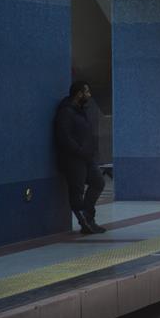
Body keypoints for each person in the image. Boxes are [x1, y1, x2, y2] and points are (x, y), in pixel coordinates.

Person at [54, 81, 106, 234]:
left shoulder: (80, 111)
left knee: (98, 182)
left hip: (86, 158)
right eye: (87, 92)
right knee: (77, 191)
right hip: (73, 159)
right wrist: (79, 150)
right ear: (79, 94)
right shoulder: (66, 112)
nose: (89, 95)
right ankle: (85, 222)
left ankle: (88, 216)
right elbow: (64, 137)